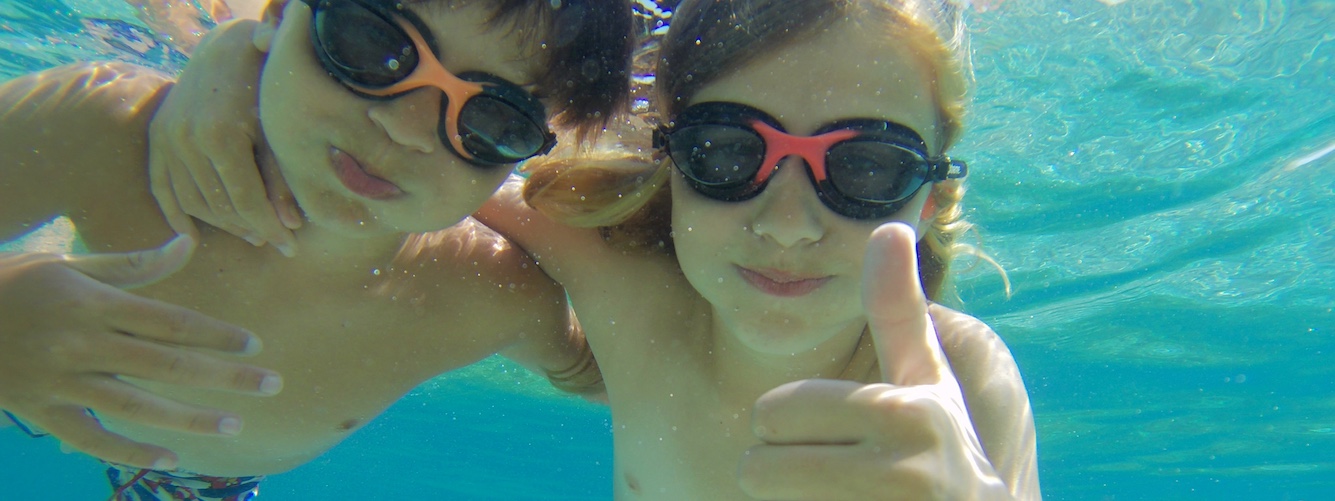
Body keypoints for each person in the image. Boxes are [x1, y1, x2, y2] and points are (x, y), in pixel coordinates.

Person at [29, 0, 1043, 498]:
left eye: (866, 169)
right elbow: (431, 153)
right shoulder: (614, 280)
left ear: (933, 190)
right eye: (730, 153)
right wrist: (241, 58)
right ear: (671, 163)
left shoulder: (959, 384)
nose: (787, 221)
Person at [0, 0, 632, 499]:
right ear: (275, 16)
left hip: (190, 482)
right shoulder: (102, 128)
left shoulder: (493, 291)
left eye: (494, 119)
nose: (403, 126)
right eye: (371, 42)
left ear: (526, 154)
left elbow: (624, 373)